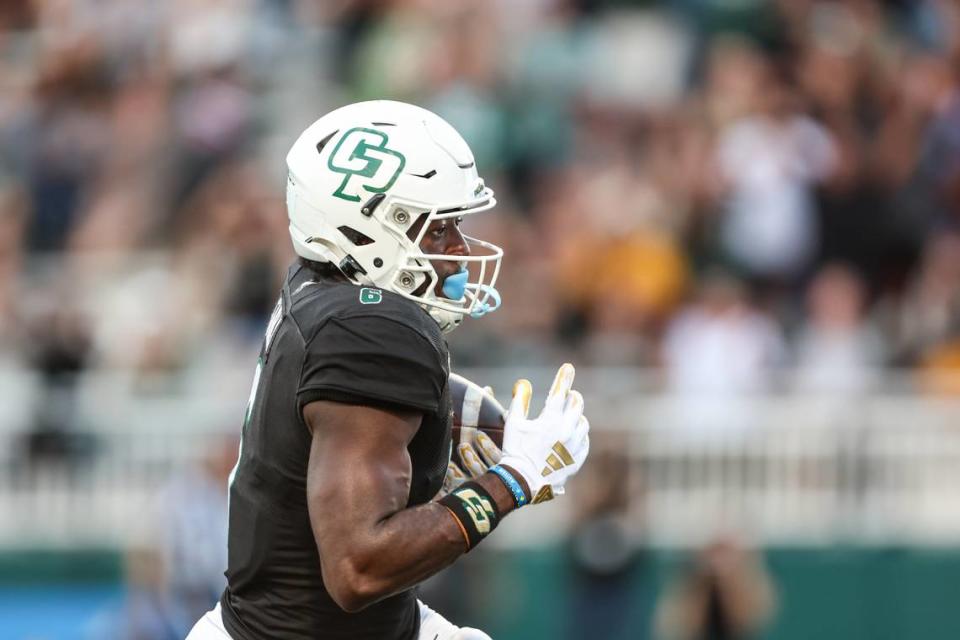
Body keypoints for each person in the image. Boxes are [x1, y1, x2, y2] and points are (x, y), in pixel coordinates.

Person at [185, 100, 591, 640]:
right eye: (440, 230)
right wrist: (513, 479)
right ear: (374, 229)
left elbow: (346, 396)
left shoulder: (322, 287)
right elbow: (359, 568)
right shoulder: (372, 330)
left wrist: (471, 416)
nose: (459, 251)